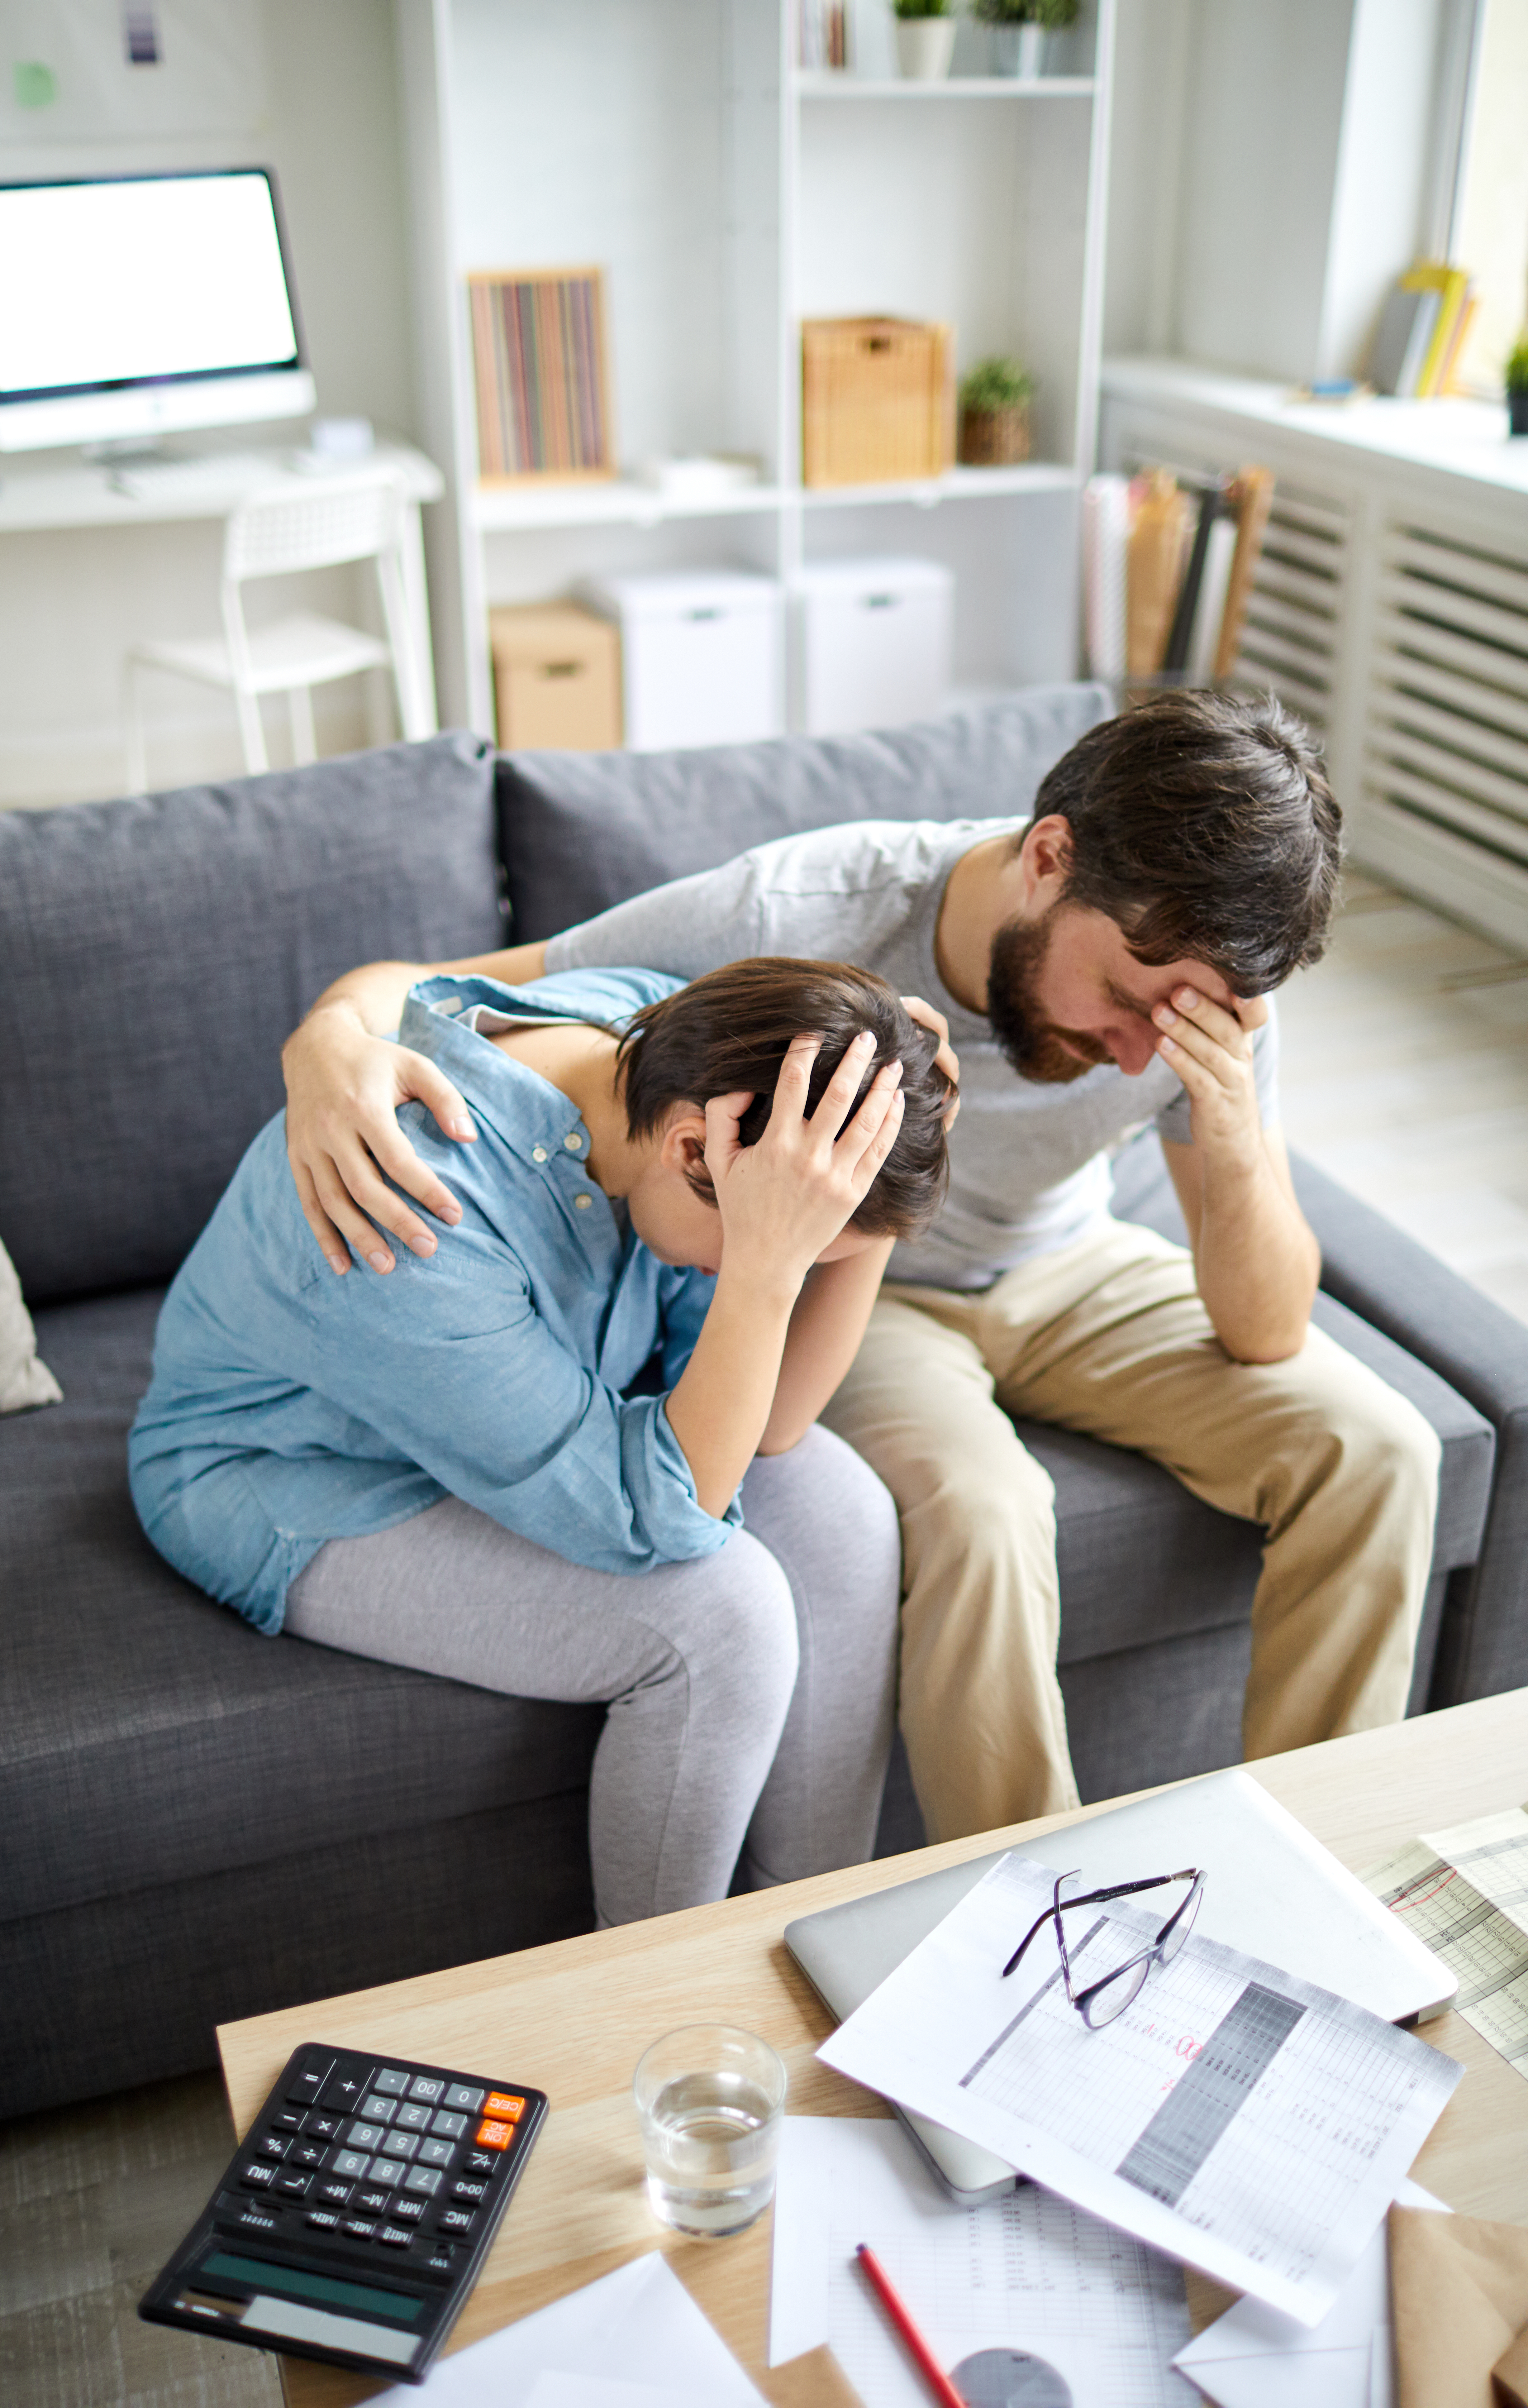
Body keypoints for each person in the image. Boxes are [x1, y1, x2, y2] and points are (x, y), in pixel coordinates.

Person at [277, 689, 1442, 1844]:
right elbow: (459, 986)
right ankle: (1037, 1924)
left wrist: (1230, 1131)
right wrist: (328, 1038)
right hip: (881, 1295)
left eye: (1178, 1021)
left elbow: (1266, 1330)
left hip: (1071, 1261)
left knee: (1381, 1449)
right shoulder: (802, 909)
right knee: (984, 1513)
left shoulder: (1206, 987)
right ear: (1049, 857)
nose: (1137, 1052)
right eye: (1125, 1001)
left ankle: (1320, 1874)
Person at [130, 957, 953, 1927]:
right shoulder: (411, 1206)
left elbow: (773, 1425)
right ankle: (651, 2018)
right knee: (725, 1619)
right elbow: (659, 1524)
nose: (801, 1263)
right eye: (806, 1241)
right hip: (302, 1468)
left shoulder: (654, 1051)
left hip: (512, 1395)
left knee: (844, 1510)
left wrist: (875, 1188)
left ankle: (813, 1938)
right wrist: (772, 1266)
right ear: (697, 1149)